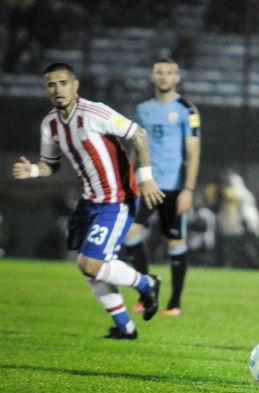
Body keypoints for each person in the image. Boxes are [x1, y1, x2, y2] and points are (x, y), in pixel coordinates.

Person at [12, 62, 165, 339]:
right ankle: (125, 327)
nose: (57, 90)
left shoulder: (95, 113)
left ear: (75, 85)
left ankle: (146, 283)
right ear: (45, 89)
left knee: (90, 263)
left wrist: (146, 177)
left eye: (63, 83)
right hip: (89, 201)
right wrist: (34, 170)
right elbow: (51, 164)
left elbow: (138, 134)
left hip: (117, 199)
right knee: (87, 268)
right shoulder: (50, 124)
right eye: (51, 85)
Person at [123, 57, 201, 317]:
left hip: (174, 189)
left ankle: (174, 302)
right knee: (130, 235)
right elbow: (137, 148)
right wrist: (129, 181)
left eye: (169, 72)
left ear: (177, 78)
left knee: (175, 243)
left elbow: (193, 152)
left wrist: (188, 190)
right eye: (160, 72)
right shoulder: (143, 109)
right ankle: (148, 290)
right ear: (152, 77)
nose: (165, 77)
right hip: (145, 185)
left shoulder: (187, 110)